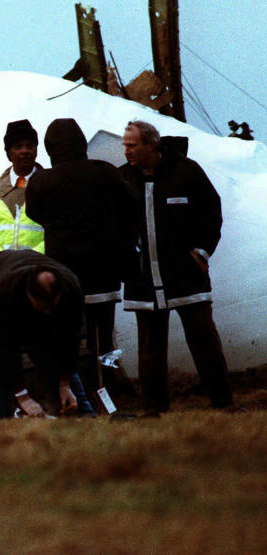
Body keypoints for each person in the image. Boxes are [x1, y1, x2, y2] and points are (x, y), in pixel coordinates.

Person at [119, 120, 233, 413]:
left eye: (132, 145)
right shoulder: (122, 179)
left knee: (204, 340)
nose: (126, 150)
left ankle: (223, 403)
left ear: (151, 145)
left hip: (186, 277)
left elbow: (211, 212)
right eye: (125, 145)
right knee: (150, 349)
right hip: (144, 280)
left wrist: (200, 253)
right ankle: (153, 409)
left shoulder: (186, 172)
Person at [25, 118, 140, 401]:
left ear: (50, 148)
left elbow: (33, 214)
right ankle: (107, 394)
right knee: (103, 336)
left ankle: (71, 395)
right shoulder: (104, 172)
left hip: (65, 275)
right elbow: (131, 204)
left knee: (67, 337)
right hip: (104, 271)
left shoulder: (42, 182)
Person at [0, 250, 83, 418]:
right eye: (42, 307)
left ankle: (78, 411)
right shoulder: (7, 289)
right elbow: (5, 345)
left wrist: (65, 383)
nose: (47, 312)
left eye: (52, 306)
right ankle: (2, 419)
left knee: (46, 340)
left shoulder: (71, 287)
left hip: (14, 274)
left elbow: (70, 338)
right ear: (29, 295)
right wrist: (22, 396)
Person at [0, 119, 45, 258]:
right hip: (1, 269)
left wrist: (33, 257)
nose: (24, 151)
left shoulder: (49, 184)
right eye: (18, 146)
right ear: (9, 153)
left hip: (37, 267)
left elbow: (58, 230)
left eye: (29, 146)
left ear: (36, 150)